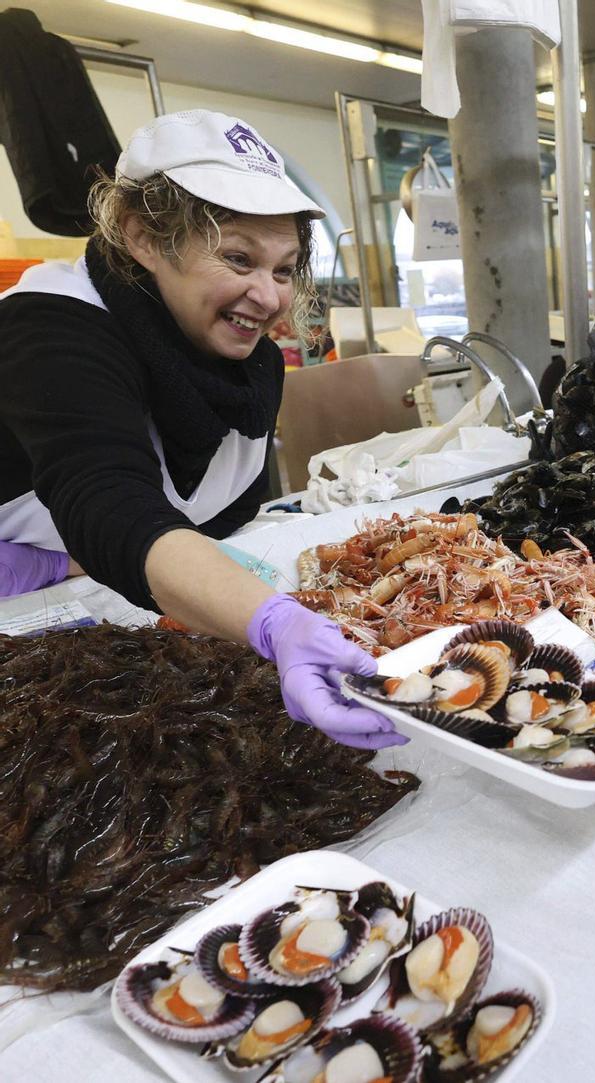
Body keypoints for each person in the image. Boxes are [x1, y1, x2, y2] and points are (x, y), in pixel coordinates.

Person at [0, 109, 406, 754]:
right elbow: (107, 494)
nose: (268, 298)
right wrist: (271, 622)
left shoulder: (245, 366)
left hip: (110, 597)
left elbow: (222, 515)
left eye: (283, 269)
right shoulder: (52, 329)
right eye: (238, 258)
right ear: (142, 236)